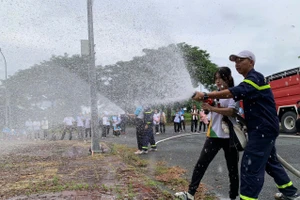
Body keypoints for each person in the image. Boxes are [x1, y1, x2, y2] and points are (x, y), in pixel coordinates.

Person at [192, 50, 299, 200]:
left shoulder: (255, 78)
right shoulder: (250, 80)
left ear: (251, 62)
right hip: (262, 129)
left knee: (250, 166)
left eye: (240, 60)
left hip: (262, 130)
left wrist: (206, 95)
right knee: (270, 162)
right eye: (235, 62)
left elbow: (236, 92)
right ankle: (291, 193)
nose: (237, 64)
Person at [175, 66, 239, 200]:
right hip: (214, 135)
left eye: (220, 78)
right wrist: (198, 97)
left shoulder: (234, 94)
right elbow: (205, 99)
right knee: (201, 164)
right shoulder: (214, 94)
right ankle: (190, 193)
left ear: (228, 78)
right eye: (216, 79)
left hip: (230, 137)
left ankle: (233, 196)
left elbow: (232, 112)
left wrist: (211, 108)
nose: (218, 81)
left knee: (232, 169)